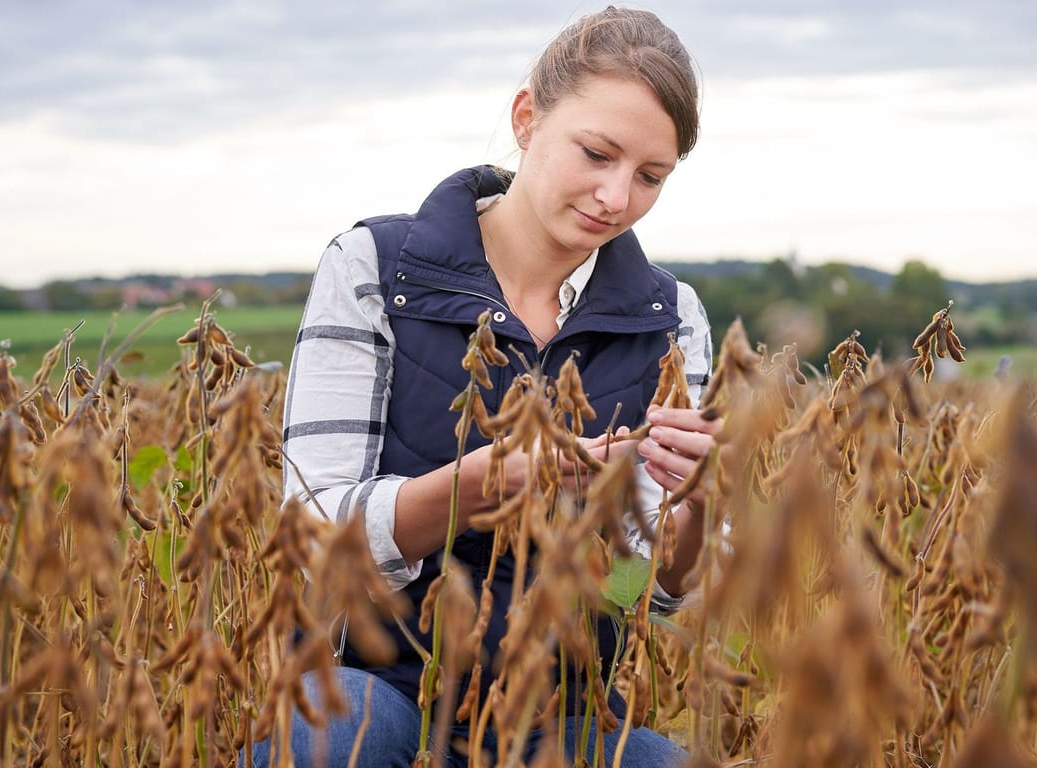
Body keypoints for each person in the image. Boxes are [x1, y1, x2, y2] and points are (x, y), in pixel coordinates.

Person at [258, 6, 719, 766]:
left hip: (563, 714)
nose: (615, 197)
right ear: (528, 117)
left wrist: (693, 509)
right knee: (326, 744)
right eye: (597, 153)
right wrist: (467, 491)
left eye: (649, 177)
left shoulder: (672, 318)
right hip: (377, 686)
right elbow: (311, 535)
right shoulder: (373, 268)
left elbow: (658, 591)